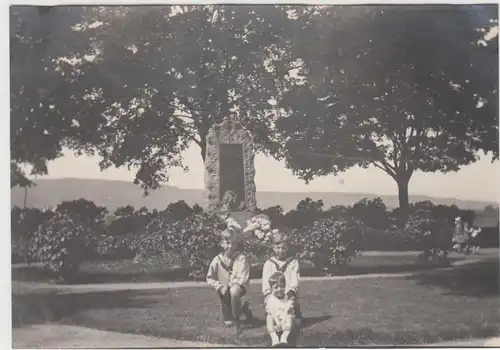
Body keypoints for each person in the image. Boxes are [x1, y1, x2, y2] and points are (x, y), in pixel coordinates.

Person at [206, 226, 254, 334]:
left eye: (233, 243)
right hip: (224, 288)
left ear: (237, 244)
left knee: (234, 291)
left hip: (239, 287)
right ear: (222, 244)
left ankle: (237, 322)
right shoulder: (217, 260)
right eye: (227, 243)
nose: (230, 246)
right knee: (228, 322)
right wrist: (219, 286)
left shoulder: (241, 258)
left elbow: (243, 276)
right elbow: (210, 278)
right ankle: (242, 310)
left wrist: (233, 285)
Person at [262, 231, 304, 324]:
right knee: (272, 311)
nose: (281, 251)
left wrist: (291, 292)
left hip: (288, 294)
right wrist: (268, 294)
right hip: (274, 294)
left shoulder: (293, 262)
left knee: (290, 312)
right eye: (278, 248)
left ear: (288, 248)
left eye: (284, 248)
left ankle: (295, 313)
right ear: (273, 248)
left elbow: (295, 280)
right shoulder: (269, 264)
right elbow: (265, 281)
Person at [265, 271, 296, 346]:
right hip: (275, 317)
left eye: (282, 286)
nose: (279, 289)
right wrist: (278, 323)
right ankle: (274, 337)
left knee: (289, 317)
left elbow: (287, 311)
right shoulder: (270, 299)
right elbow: (272, 312)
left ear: (285, 286)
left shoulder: (287, 298)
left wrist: (282, 323)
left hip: (285, 317)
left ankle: (284, 337)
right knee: (269, 318)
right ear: (271, 288)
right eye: (276, 287)